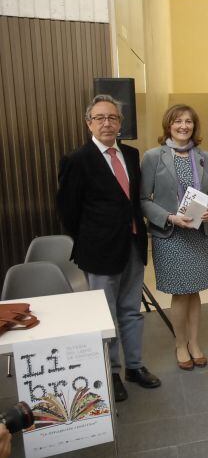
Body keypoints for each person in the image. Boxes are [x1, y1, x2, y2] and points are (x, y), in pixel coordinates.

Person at [57, 94, 161, 402]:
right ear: (89, 123)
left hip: (132, 245)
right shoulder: (77, 160)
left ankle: (134, 366)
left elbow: (133, 201)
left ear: (120, 123)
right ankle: (111, 372)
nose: (107, 123)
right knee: (107, 316)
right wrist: (91, 239)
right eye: (100, 118)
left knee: (131, 311)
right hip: (100, 251)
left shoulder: (130, 154)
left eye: (112, 118)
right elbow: (68, 211)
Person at [140, 104, 208, 370]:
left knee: (195, 291)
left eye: (188, 121)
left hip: (199, 234)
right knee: (180, 292)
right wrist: (169, 217)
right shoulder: (154, 156)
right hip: (172, 234)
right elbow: (142, 200)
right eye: (178, 121)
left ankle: (194, 343)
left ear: (194, 126)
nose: (183, 126)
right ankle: (180, 344)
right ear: (169, 125)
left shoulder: (204, 157)